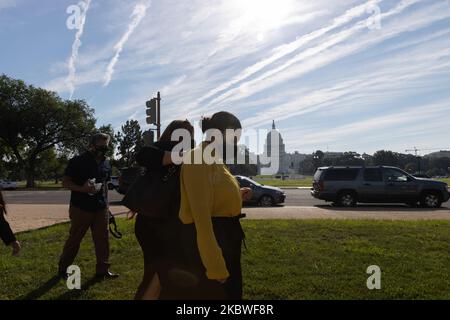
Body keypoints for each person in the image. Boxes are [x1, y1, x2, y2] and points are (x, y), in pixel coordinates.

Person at [179, 111, 252, 300]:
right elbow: (201, 218)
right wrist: (214, 265)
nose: (236, 144)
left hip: (227, 236)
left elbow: (214, 195)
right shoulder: (199, 158)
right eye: (234, 138)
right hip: (216, 240)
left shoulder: (214, 158)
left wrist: (237, 194)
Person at [133, 120, 195, 300]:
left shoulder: (188, 156)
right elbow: (143, 155)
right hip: (156, 225)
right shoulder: (158, 150)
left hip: (168, 224)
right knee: (158, 273)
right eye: (186, 133)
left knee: (163, 274)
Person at [58, 133, 118, 279]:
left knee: (103, 239)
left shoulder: (106, 163)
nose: (103, 149)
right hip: (80, 207)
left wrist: (107, 207)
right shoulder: (77, 161)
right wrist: (82, 189)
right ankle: (63, 268)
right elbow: (65, 182)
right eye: (100, 145)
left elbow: (104, 185)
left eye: (106, 146)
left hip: (100, 208)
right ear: (91, 144)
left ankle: (102, 270)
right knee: (75, 239)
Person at [0, 190, 21, 256]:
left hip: (2, 226)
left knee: (16, 246)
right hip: (3, 226)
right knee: (16, 245)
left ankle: (15, 256)